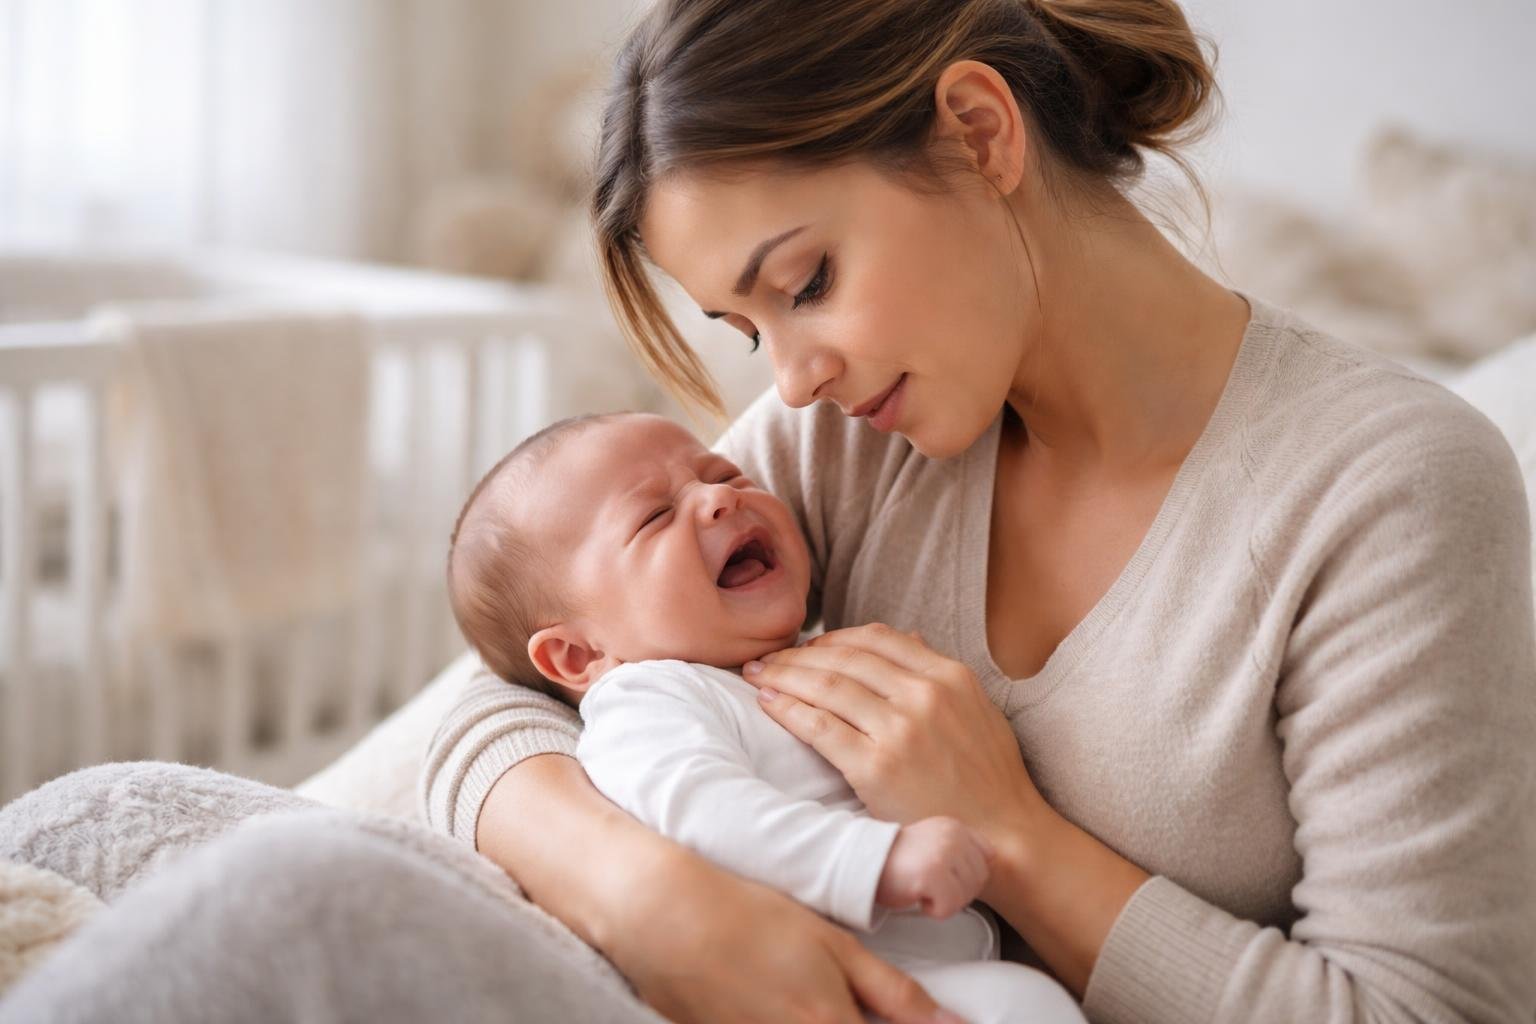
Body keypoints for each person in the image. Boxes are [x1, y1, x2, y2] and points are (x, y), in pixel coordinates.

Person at [420, 1, 1536, 1023]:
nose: (794, 378)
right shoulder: (838, 442)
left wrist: (1010, 837)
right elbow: (509, 688)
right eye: (751, 329)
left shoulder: (1385, 488)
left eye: (806, 282)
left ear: (978, 130)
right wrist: (656, 901)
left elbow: (1425, 1011)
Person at [442, 408, 1087, 1024]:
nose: (718, 499)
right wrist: (873, 860)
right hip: (803, 985)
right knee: (1023, 1008)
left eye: (725, 475)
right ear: (579, 654)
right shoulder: (647, 699)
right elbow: (705, 810)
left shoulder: (781, 661)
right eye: (654, 516)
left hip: (906, 968)